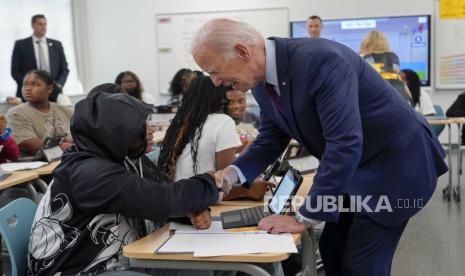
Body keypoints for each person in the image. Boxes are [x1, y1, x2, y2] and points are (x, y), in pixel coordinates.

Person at [191, 19, 447, 276]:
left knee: (361, 265)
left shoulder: (322, 61)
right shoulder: (260, 82)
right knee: (332, 249)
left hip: (395, 167)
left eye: (214, 70)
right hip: (356, 168)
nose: (215, 82)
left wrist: (300, 218)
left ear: (242, 52)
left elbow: (344, 143)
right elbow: (270, 139)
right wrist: (231, 175)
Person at [27, 91, 221, 275]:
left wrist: (190, 210)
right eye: (142, 127)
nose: (150, 130)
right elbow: (165, 199)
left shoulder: (121, 157)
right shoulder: (89, 173)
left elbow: (162, 193)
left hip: (121, 259)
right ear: (116, 133)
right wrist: (210, 182)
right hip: (80, 270)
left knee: (197, 267)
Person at [158, 75, 273, 200]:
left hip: (179, 198)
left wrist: (243, 151)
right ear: (222, 97)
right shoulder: (223, 122)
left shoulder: (182, 122)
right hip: (200, 202)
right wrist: (246, 190)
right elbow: (226, 183)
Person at [6, 70, 73, 156]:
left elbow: (82, 135)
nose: (28, 88)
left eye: (35, 84)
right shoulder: (16, 113)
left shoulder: (66, 111)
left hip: (69, 159)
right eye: (25, 84)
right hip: (33, 164)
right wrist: (68, 146)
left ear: (49, 89)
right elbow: (28, 145)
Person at [11, 14, 69, 101]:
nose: (44, 27)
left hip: (53, 93)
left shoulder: (56, 44)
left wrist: (58, 85)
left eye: (45, 24)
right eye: (40, 24)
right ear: (33, 25)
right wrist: (29, 85)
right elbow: (15, 71)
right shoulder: (21, 45)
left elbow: (64, 69)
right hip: (29, 94)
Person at [360, 30, 413, 105]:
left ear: (366, 43)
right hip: (400, 97)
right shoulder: (393, 57)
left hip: (375, 100)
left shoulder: (362, 58)